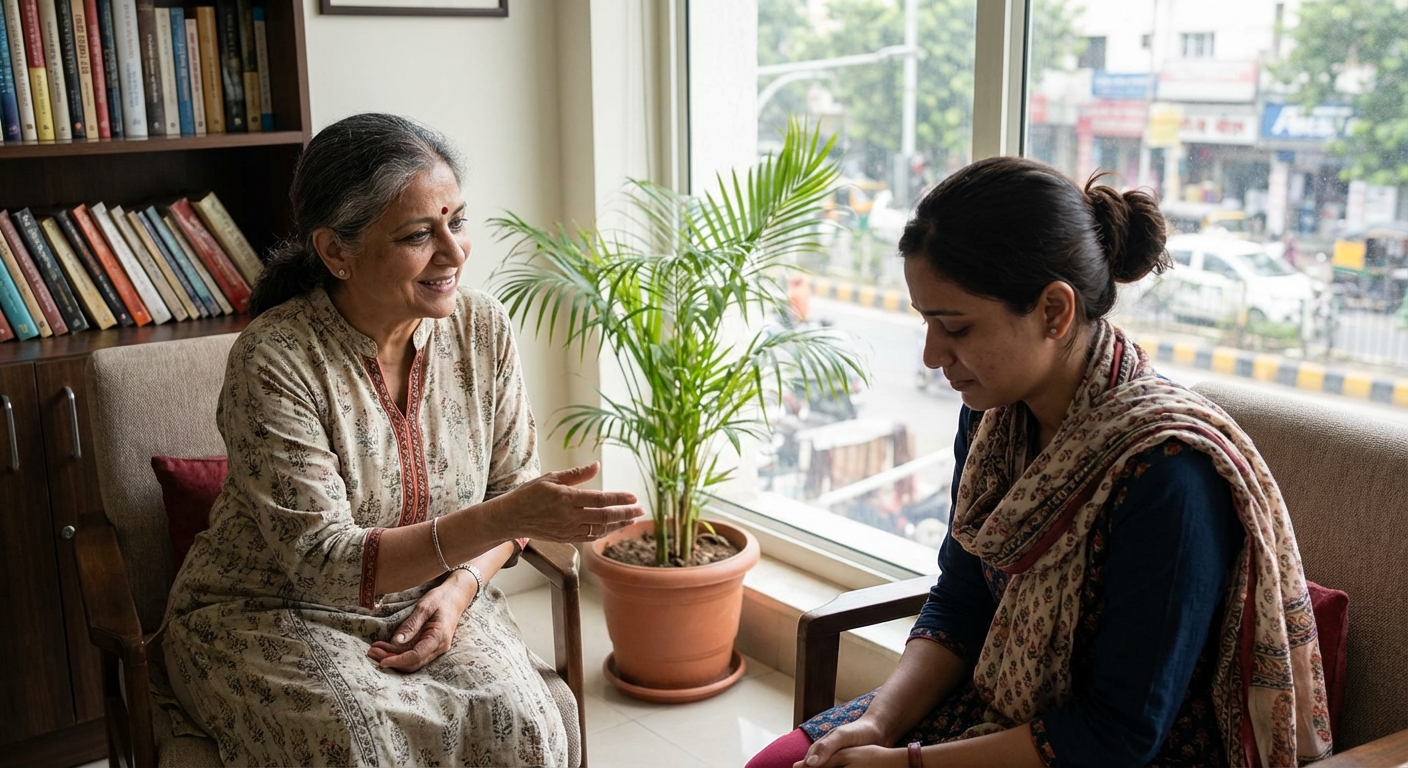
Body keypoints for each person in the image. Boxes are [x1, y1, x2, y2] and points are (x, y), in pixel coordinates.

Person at [747, 157, 1332, 768]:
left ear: (1054, 311)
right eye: (925, 321)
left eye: (955, 327)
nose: (930, 355)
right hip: (995, 705)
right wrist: (878, 722)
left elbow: (1120, 734)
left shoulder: (1166, 474)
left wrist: (909, 764)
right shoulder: (995, 419)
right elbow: (962, 597)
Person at [160, 113, 642, 767]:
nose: (454, 251)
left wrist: (458, 590)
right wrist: (506, 516)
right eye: (419, 234)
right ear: (336, 251)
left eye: (458, 220)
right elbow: (321, 562)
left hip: (434, 595)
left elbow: (511, 487)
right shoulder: (276, 359)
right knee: (360, 748)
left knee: (525, 729)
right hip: (270, 609)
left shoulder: (482, 328)